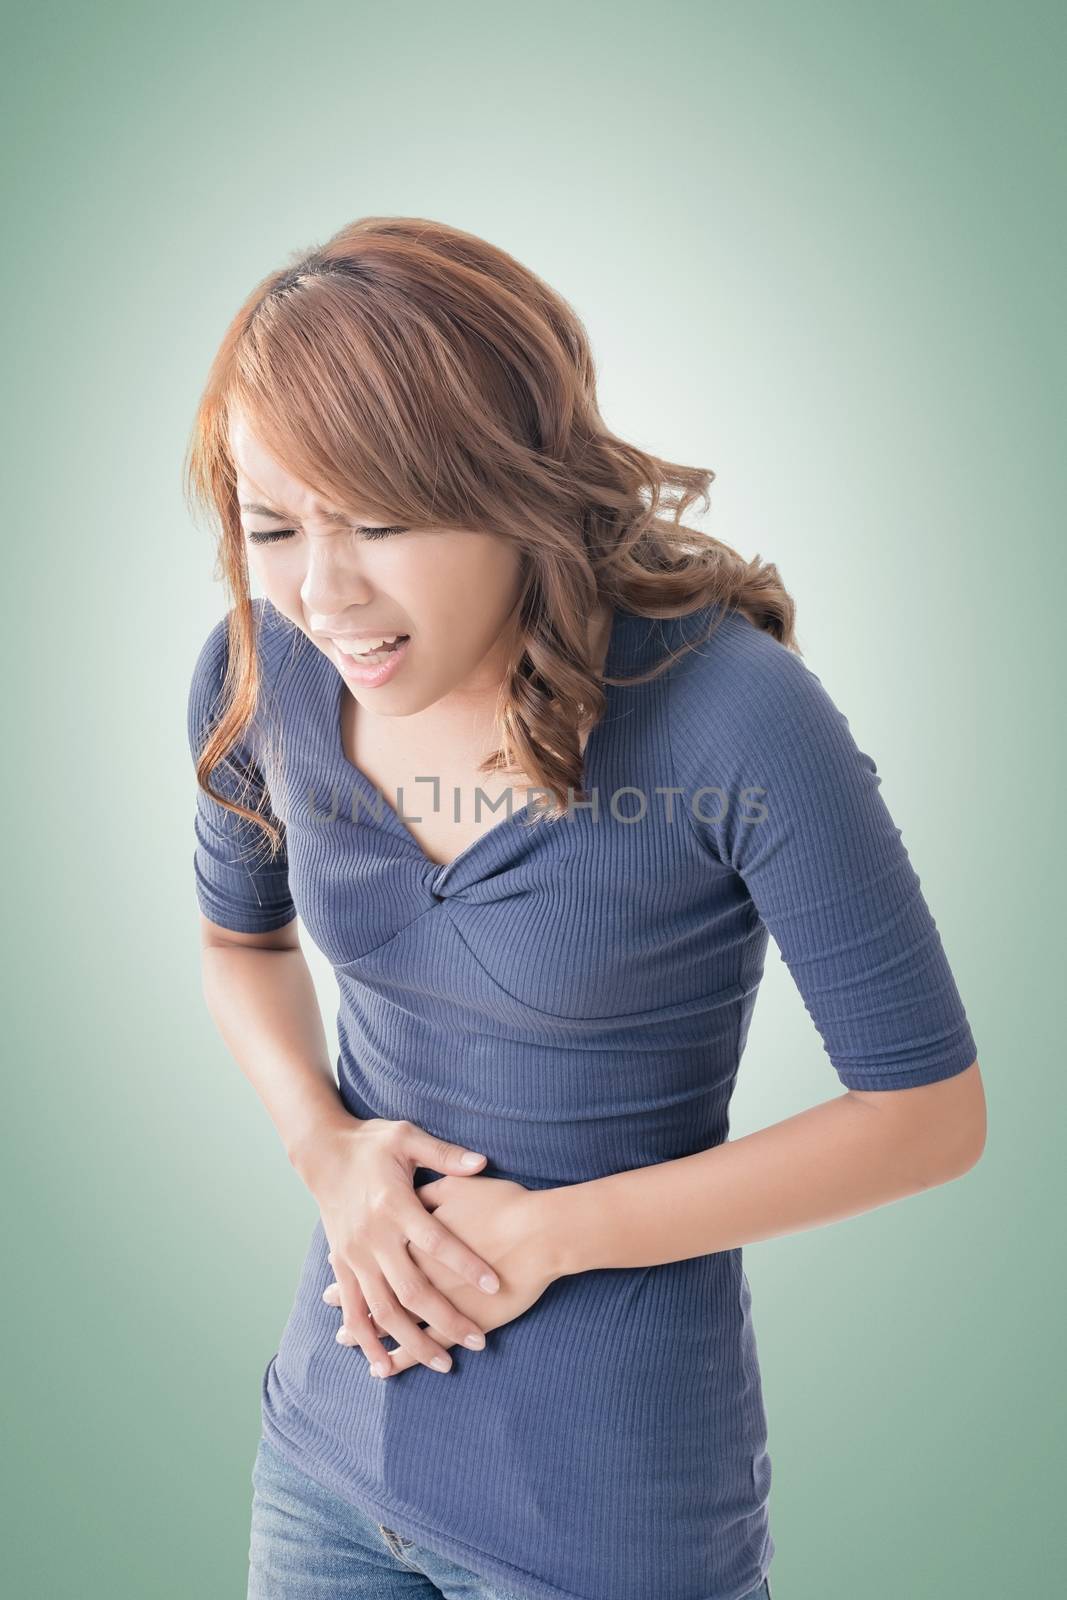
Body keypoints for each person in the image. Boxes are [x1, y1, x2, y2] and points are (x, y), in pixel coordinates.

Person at [185, 217, 985, 1600]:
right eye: (274, 526)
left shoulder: (732, 715)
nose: (324, 589)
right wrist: (324, 1148)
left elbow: (928, 1117)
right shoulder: (264, 672)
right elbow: (235, 940)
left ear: (516, 489)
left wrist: (555, 1233)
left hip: (609, 1519)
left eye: (382, 522)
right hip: (321, 1463)